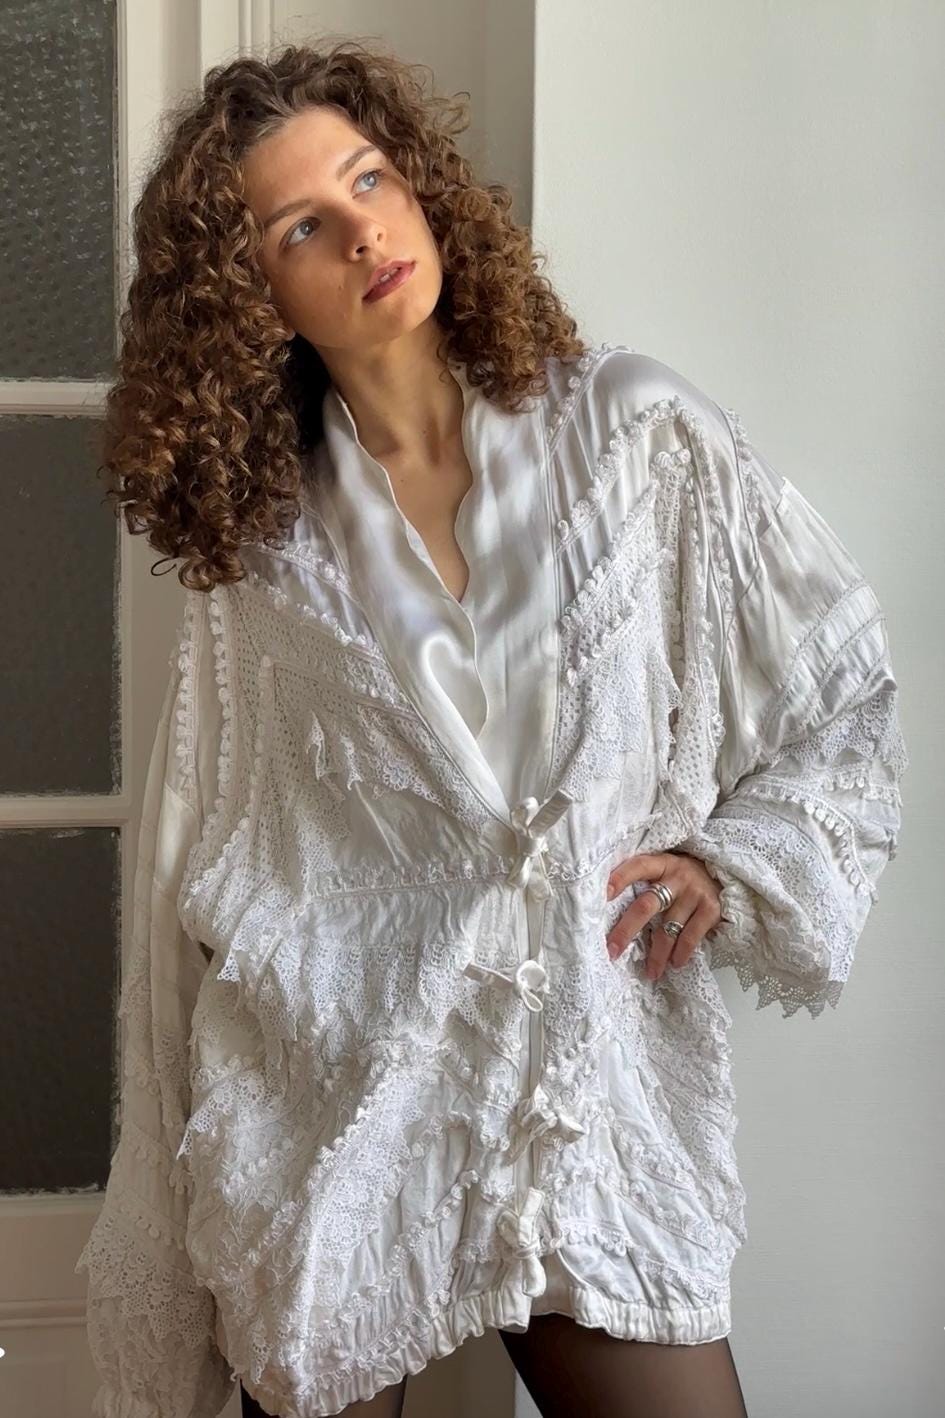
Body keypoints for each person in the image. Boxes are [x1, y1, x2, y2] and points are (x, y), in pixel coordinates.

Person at [74, 38, 907, 1418]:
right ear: (248, 294)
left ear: (421, 185)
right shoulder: (265, 555)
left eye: (370, 180)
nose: (363, 233)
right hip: (338, 1127)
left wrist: (733, 860)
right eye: (301, 228)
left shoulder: (632, 436)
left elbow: (840, 687)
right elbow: (208, 851)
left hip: (582, 1112)